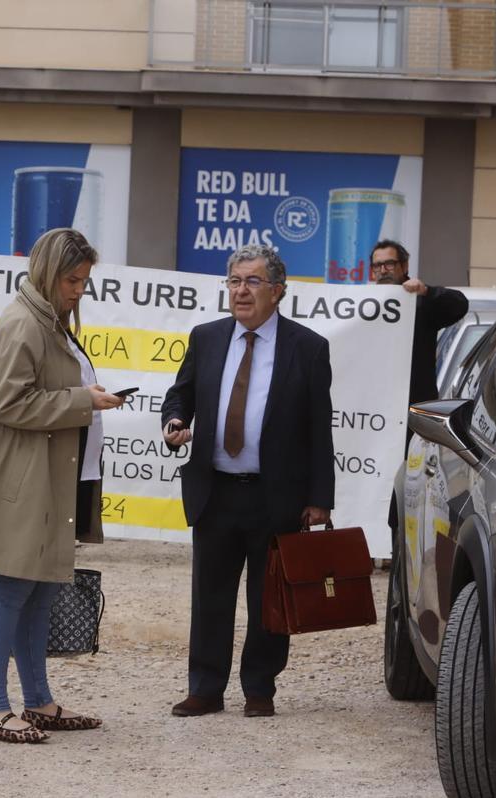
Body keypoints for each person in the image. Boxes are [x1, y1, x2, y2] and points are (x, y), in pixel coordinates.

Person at [0, 227, 123, 743]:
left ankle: (38, 702)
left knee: (42, 590)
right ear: (49, 273)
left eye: (85, 281)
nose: (79, 290)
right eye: (73, 279)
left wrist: (83, 399)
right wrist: (83, 401)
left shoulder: (49, 319)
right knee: (10, 590)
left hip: (50, 479)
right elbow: (11, 403)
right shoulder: (23, 324)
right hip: (21, 483)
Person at [161, 243, 334, 719]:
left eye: (253, 282)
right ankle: (205, 688)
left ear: (278, 291)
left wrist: (320, 498)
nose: (241, 291)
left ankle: (260, 688)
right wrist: (174, 424)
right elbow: (180, 396)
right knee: (210, 597)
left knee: (269, 601)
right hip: (215, 490)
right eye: (234, 281)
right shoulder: (207, 337)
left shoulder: (308, 347)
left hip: (275, 496)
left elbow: (320, 428)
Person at [368, 239, 468, 405]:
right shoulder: (363, 304)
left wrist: (427, 291)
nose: (383, 270)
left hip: (413, 407)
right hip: (373, 403)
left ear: (405, 266)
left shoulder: (421, 302)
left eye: (389, 264)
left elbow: (460, 305)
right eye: (377, 266)